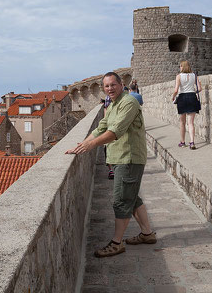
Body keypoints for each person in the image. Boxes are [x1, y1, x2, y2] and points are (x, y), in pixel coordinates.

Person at [66, 72, 156, 257]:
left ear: (121, 84)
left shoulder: (129, 103)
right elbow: (101, 128)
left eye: (113, 85)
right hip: (120, 158)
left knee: (121, 200)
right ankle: (147, 234)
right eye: (106, 86)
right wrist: (82, 144)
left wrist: (91, 145)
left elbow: (116, 131)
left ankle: (117, 243)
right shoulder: (114, 104)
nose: (110, 89)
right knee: (132, 198)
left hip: (129, 158)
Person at [171, 60, 202, 150]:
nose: (180, 67)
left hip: (182, 98)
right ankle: (192, 142)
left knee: (182, 123)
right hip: (192, 97)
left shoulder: (179, 76)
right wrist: (193, 92)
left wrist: (173, 97)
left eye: (180, 66)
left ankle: (183, 142)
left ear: (183, 67)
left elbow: (176, 90)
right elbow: (199, 88)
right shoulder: (194, 75)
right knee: (191, 123)